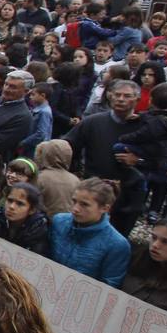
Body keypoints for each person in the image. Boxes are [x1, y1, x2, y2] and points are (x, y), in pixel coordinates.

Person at [65, 79, 149, 235]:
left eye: (127, 96)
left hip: (128, 196)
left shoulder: (145, 127)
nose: (121, 99)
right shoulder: (93, 122)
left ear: (137, 100)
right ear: (110, 96)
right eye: (117, 95)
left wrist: (139, 161)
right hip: (93, 191)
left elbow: (164, 161)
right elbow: (68, 146)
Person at [48, 178, 132, 288]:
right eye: (74, 201)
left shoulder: (117, 244)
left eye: (84, 204)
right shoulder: (59, 222)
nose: (75, 209)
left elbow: (109, 286)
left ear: (105, 208)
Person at [0, 182, 49, 255]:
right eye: (10, 200)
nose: (11, 207)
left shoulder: (37, 228)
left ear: (32, 210)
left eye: (20, 204)